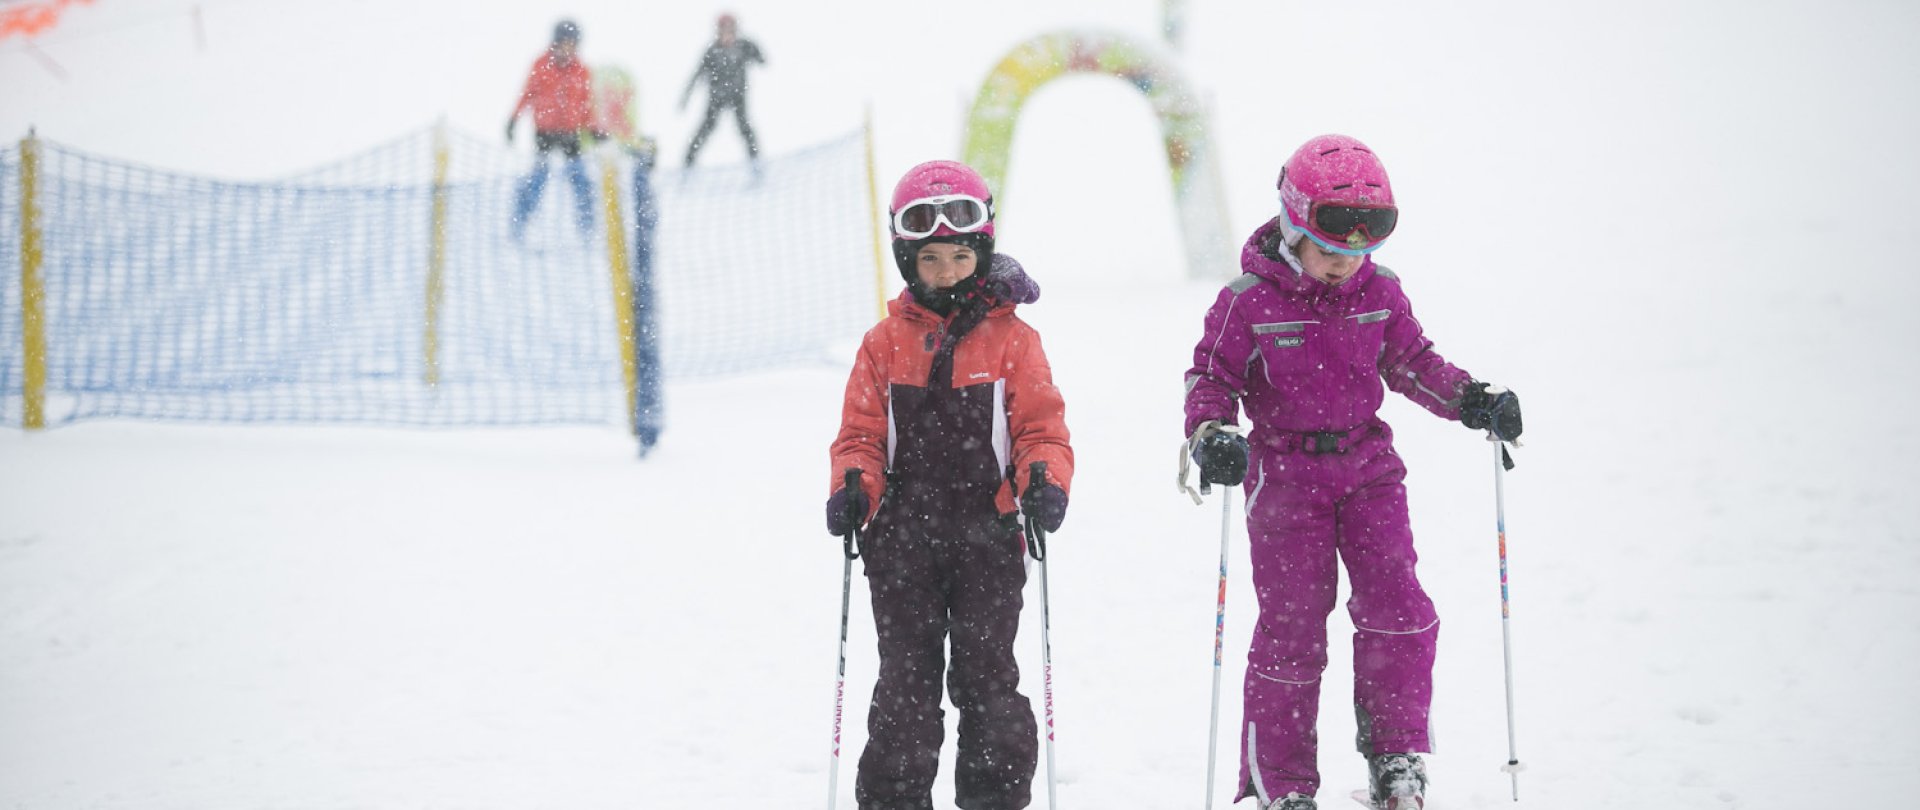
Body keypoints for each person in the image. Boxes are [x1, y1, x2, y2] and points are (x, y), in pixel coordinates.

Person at [1181, 134, 1524, 810]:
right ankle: (1280, 785)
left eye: (1361, 252)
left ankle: (1397, 756)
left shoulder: (1381, 293)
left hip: (1369, 470)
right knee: (1293, 629)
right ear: (1291, 227)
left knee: (1400, 609)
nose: (1345, 266)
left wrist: (1472, 400)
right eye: (1330, 249)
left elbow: (1413, 364)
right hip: (1284, 478)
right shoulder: (1248, 301)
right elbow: (1210, 378)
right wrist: (1212, 432)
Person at [826, 160, 1073, 810]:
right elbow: (860, 437)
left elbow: (1040, 428)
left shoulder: (1013, 342)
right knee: (907, 688)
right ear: (909, 261)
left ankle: (994, 799)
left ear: (980, 251)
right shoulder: (883, 346)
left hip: (985, 538)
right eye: (929, 260)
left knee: (988, 681)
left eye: (958, 257)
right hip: (901, 541)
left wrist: (1043, 479)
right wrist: (854, 485)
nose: (944, 273)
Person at [506, 19, 596, 239]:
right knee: (538, 178)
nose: (568, 48)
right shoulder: (541, 65)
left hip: (571, 134)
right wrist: (514, 119)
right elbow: (527, 93)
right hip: (545, 133)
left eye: (572, 44)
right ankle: (519, 224)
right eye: (564, 43)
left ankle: (588, 229)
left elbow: (586, 103)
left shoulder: (581, 70)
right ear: (555, 42)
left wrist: (592, 127)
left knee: (580, 180)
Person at [678, 12, 764, 170]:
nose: (727, 34)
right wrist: (685, 98)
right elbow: (697, 75)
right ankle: (687, 165)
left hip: (738, 96)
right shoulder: (712, 51)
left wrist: (755, 51)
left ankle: (756, 165)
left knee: (745, 129)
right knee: (705, 129)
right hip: (716, 97)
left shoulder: (743, 46)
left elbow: (761, 59)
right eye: (724, 30)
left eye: (730, 30)